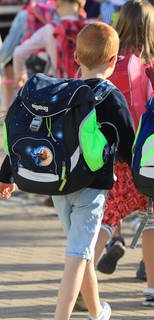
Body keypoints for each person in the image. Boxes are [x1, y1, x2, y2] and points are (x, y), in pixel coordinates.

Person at [0, 21, 135, 320]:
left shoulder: (60, 93)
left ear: (75, 57)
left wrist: (6, 174)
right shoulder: (110, 96)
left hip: (57, 184)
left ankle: (97, 311)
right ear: (114, 61)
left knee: (82, 249)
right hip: (91, 186)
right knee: (77, 255)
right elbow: (128, 146)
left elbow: (33, 136)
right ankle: (61, 316)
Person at [94, 0, 154, 307]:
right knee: (150, 218)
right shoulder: (149, 66)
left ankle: (82, 278)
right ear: (152, 32)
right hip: (142, 157)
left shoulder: (108, 61)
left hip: (104, 154)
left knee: (107, 214)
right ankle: (153, 290)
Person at [12, 0, 85, 88]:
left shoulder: (49, 29)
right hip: (84, 88)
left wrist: (21, 75)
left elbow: (18, 52)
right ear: (81, 5)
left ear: (57, 4)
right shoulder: (89, 28)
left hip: (61, 89)